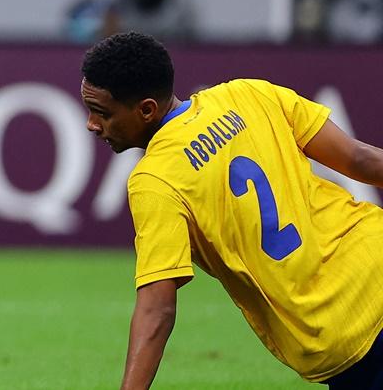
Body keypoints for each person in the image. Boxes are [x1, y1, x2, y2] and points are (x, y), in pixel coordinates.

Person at [79, 32, 383, 389]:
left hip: (342, 328)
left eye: (102, 113)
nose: (91, 124)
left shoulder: (155, 180)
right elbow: (362, 160)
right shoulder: (247, 93)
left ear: (146, 109)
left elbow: (157, 310)